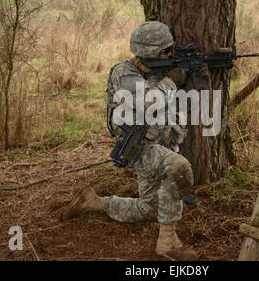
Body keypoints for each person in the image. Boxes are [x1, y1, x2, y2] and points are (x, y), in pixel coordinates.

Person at [61, 21, 199, 261]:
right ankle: (168, 243)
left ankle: (94, 203)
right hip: (139, 149)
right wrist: (171, 81)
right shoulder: (124, 72)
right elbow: (149, 100)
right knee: (180, 169)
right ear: (153, 53)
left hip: (159, 146)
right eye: (167, 51)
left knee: (149, 210)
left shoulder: (154, 71)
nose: (170, 54)